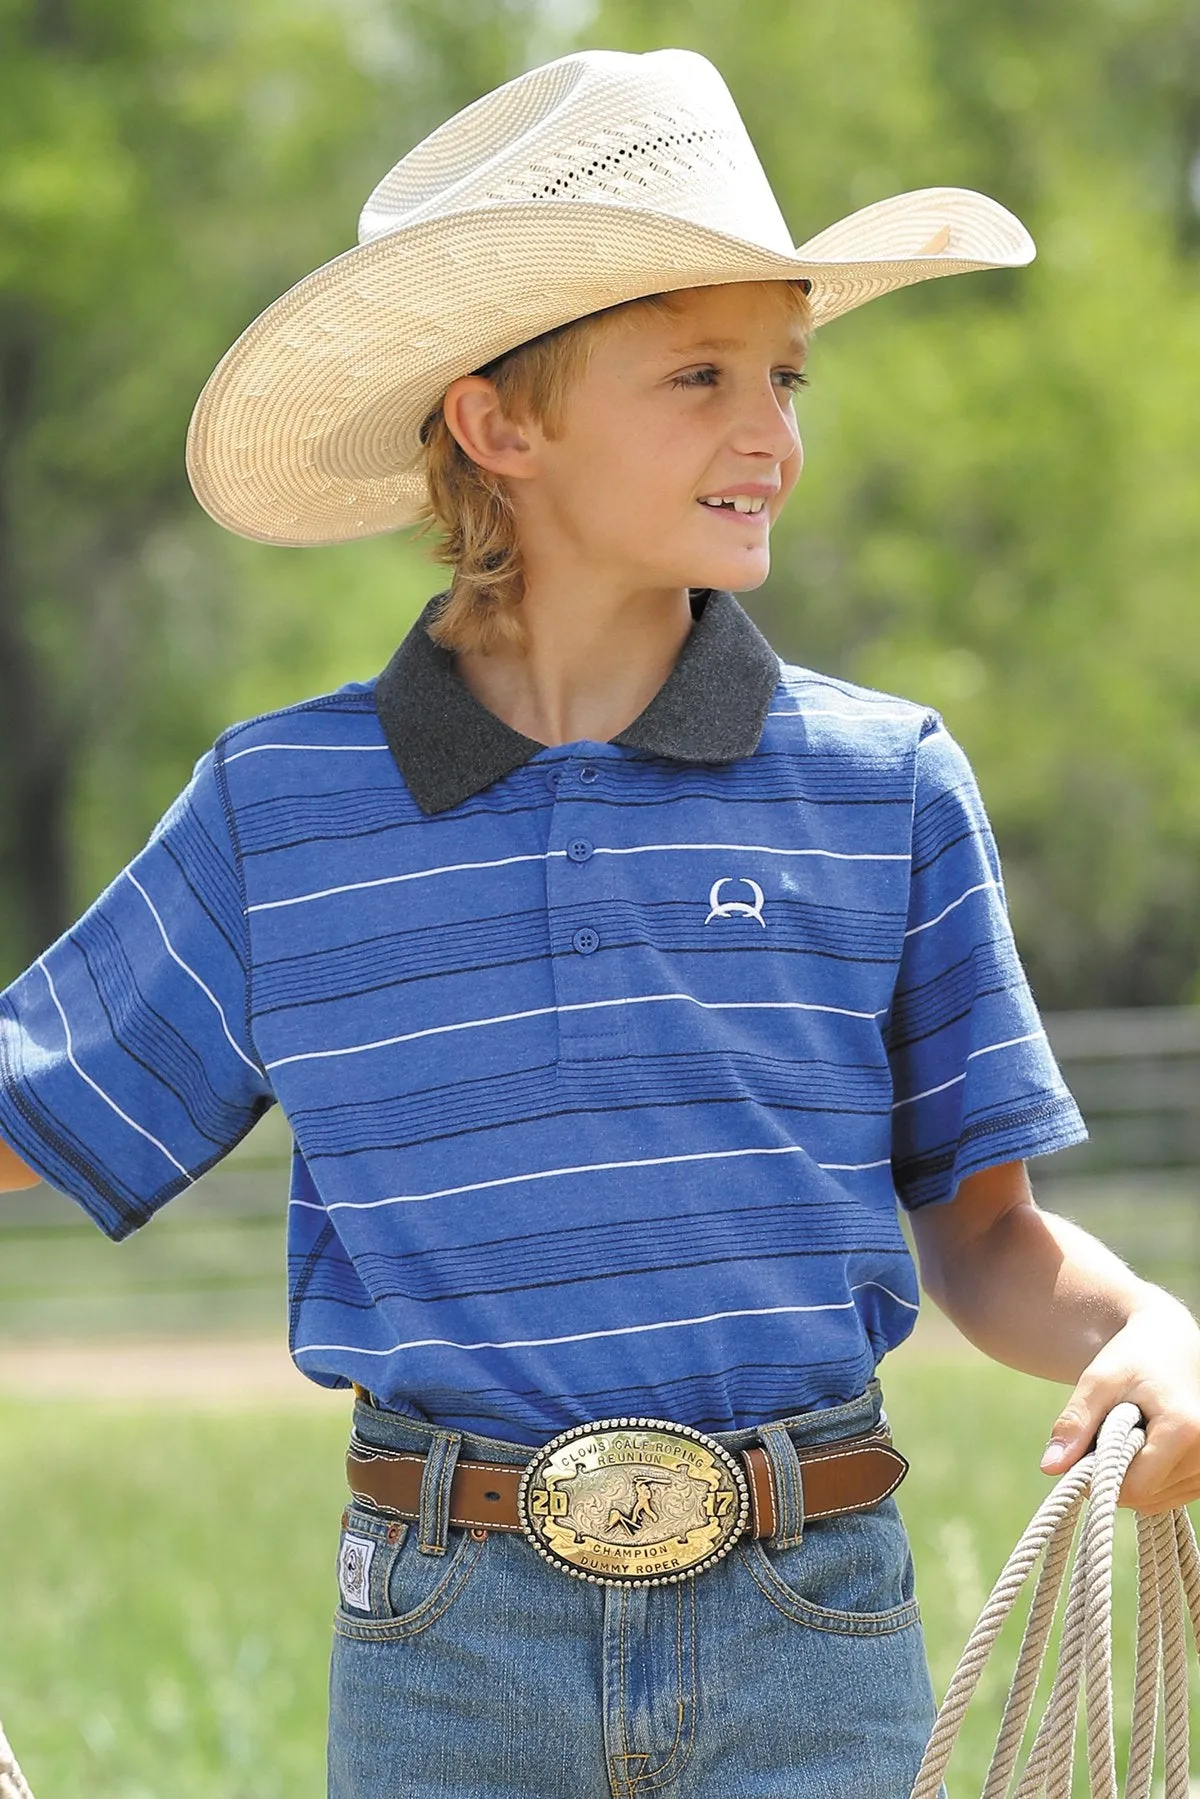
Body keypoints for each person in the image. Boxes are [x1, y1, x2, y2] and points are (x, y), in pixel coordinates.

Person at [1, 45, 1197, 1799]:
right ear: (501, 422)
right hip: (441, 1643)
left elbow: (989, 1240)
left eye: (785, 373)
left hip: (812, 1624)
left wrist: (1148, 1329)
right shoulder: (285, 815)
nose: (771, 433)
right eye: (699, 373)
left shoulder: (883, 790)